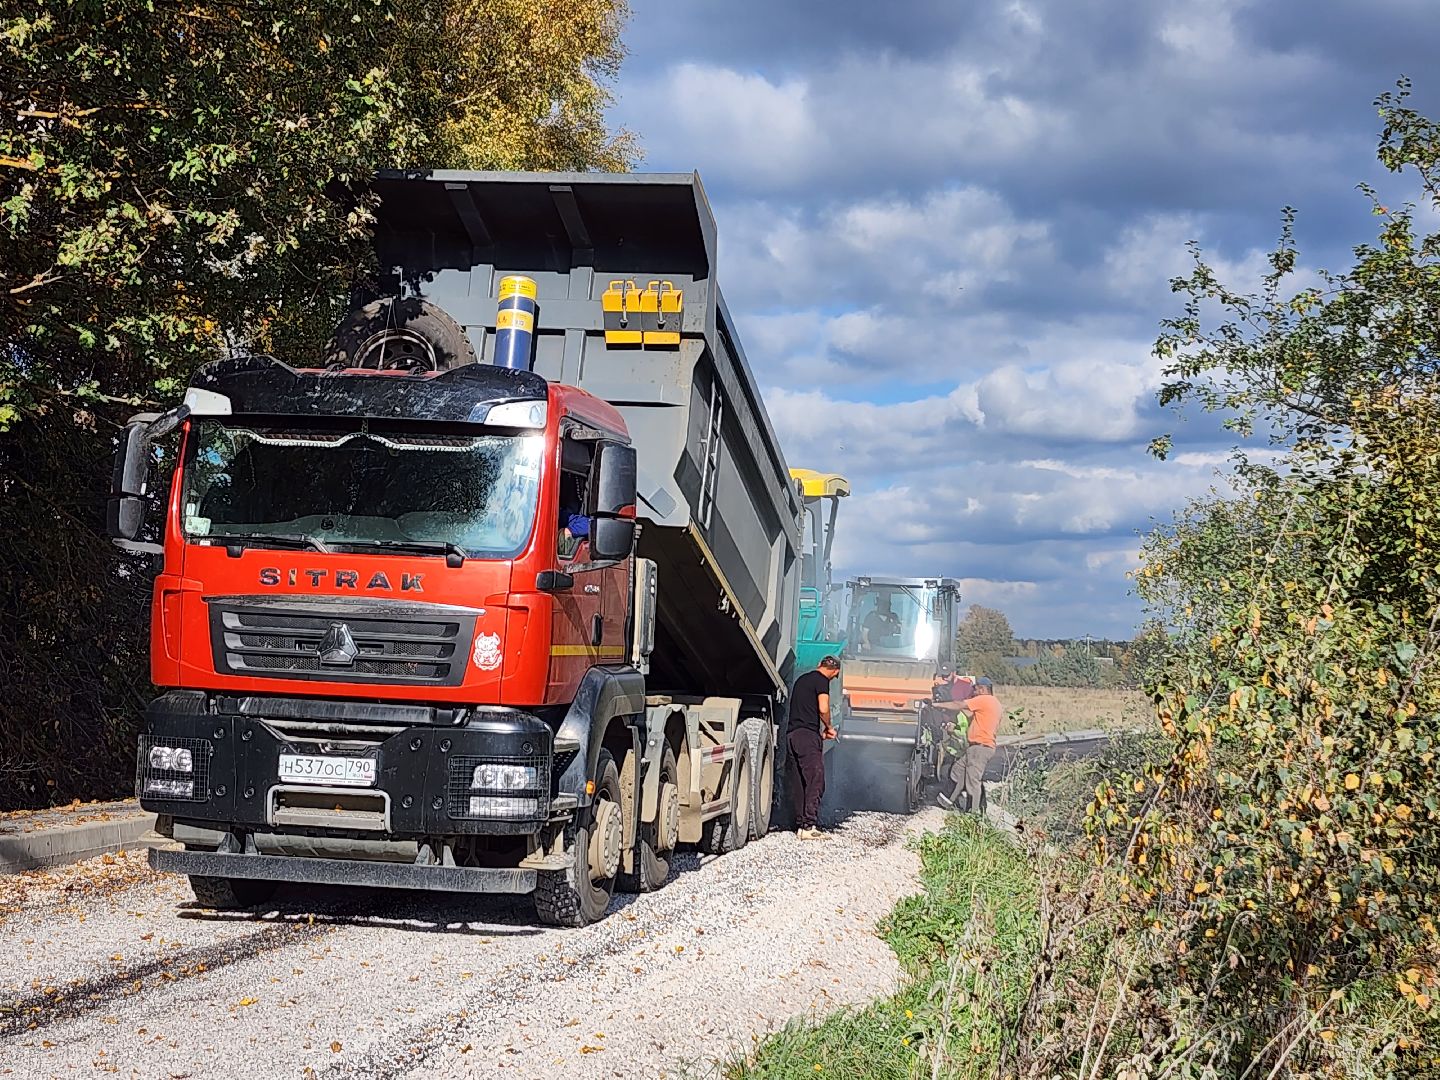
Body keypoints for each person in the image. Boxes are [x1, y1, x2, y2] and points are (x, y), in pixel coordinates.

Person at [787, 655, 840, 839]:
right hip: (807, 736)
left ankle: (801, 825)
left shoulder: (802, 680)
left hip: (793, 735)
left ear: (819, 664)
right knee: (816, 779)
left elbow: (804, 713)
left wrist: (820, 735)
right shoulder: (822, 680)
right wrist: (829, 727)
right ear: (835, 671)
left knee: (801, 782)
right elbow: (823, 708)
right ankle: (809, 826)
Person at [937, 677, 1001, 813]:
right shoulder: (992, 703)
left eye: (975, 689)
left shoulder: (984, 699)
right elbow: (968, 712)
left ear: (983, 689)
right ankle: (947, 800)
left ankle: (973, 814)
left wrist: (937, 704)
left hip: (980, 748)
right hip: (976, 748)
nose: (973, 692)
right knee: (957, 770)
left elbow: (959, 705)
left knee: (972, 781)